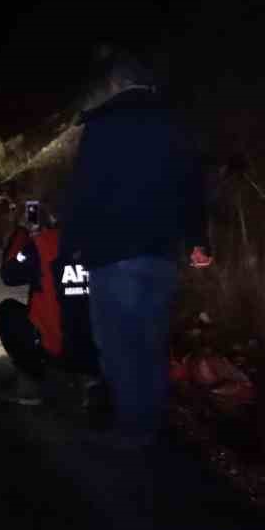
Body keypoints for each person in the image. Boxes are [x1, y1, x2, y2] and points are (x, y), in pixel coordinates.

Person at [62, 49, 205, 448]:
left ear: (115, 86)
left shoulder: (103, 127)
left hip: (113, 254)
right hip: (161, 253)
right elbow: (192, 185)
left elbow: (83, 194)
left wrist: (70, 247)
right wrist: (197, 239)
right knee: (151, 341)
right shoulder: (175, 124)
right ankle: (150, 422)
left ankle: (133, 429)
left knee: (118, 344)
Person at [0, 205, 99, 406]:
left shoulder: (44, 243)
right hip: (99, 349)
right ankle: (92, 382)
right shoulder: (103, 242)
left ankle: (29, 387)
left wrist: (22, 233)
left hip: (56, 348)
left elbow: (9, 275)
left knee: (8, 311)